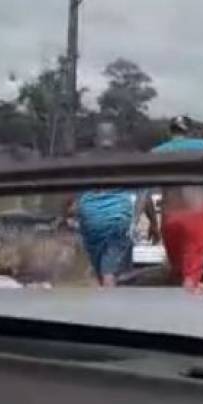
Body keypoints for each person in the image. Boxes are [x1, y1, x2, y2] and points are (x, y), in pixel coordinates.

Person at [71, 121, 159, 287]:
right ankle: (110, 301)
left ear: (95, 139)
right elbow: (144, 192)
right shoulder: (125, 162)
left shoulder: (83, 160)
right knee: (110, 274)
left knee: (101, 270)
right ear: (116, 138)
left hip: (90, 222)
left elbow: (72, 193)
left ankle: (108, 295)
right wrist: (139, 221)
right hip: (117, 220)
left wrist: (71, 213)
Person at [152, 116, 203, 289]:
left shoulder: (157, 152)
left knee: (177, 270)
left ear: (170, 131)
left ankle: (175, 303)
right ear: (190, 131)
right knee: (191, 274)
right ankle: (187, 305)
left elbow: (146, 185)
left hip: (170, 216)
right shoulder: (202, 146)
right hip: (197, 213)